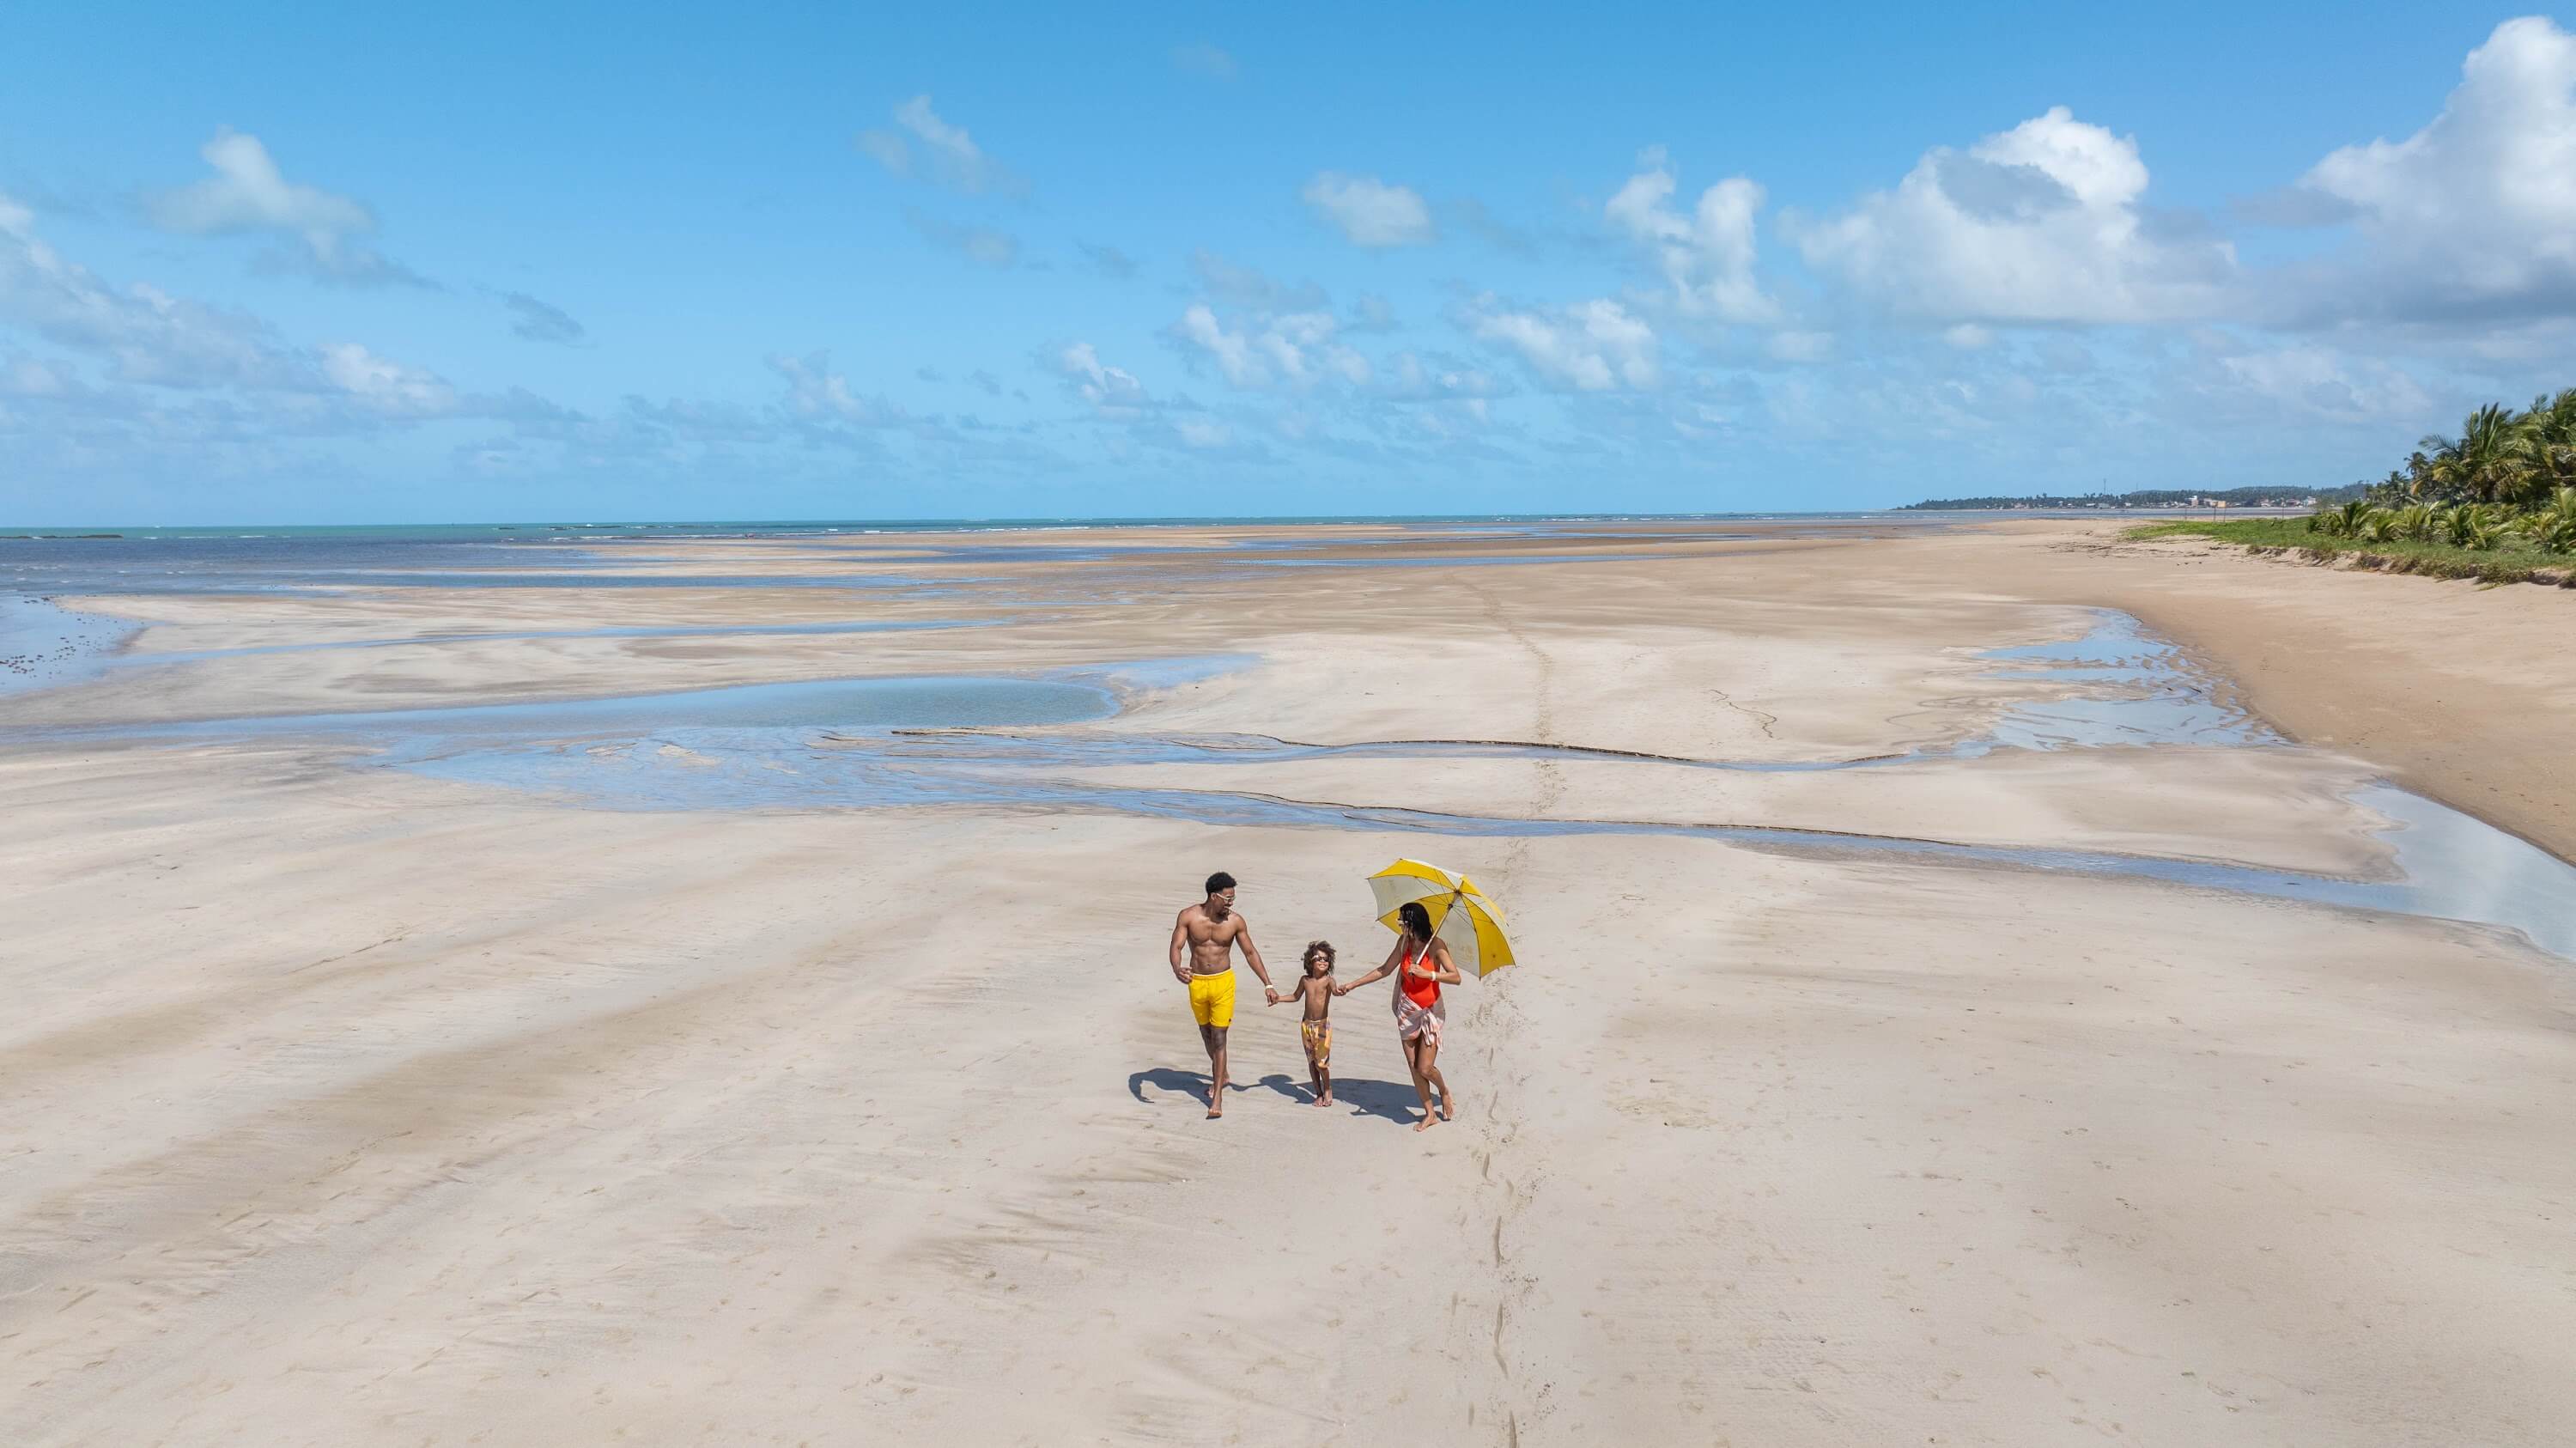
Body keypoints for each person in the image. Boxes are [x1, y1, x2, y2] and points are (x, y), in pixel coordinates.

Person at [1336, 902, 1462, 1132]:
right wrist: (1353, 985)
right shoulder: (1404, 942)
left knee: (1425, 1067)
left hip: (1430, 1011)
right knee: (1413, 1066)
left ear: (1414, 923)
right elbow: (1384, 969)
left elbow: (1456, 977)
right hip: (1407, 1009)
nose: (1400, 926)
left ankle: (1443, 1090)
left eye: (1403, 922)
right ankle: (1430, 1114)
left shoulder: (1436, 945)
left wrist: (1428, 973)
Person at [1167, 872, 1279, 1119]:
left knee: (1219, 1036)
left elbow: (1250, 953)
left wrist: (1268, 984)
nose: (1231, 903)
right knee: (1205, 1033)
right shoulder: (1188, 916)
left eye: (1233, 899)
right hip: (1197, 983)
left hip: (1223, 983)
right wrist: (1177, 969)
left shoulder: (1235, 922)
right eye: (1228, 899)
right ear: (1213, 896)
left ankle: (1217, 1095)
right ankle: (1223, 1073)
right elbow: (1176, 946)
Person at [1270, 940, 1337, 1106]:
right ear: (1310, 961)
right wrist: (1279, 999)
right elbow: (1295, 996)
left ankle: (1327, 1088)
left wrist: (1341, 990)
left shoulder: (1329, 981)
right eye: (1319, 958)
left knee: (1322, 1063)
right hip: (1306, 1025)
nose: (1323, 962)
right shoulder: (1305, 980)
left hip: (1322, 1026)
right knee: (1312, 1062)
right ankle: (1319, 1093)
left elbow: (1336, 991)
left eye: (1326, 959)